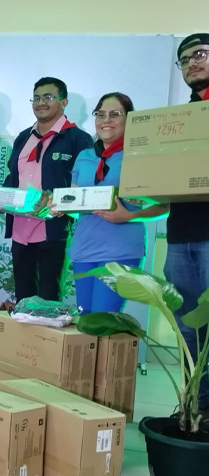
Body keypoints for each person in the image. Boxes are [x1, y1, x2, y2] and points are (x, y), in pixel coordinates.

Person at [52, 92, 168, 313]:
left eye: (115, 114)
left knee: (104, 323)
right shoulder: (85, 156)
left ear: (129, 119)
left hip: (120, 251)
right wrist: (61, 207)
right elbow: (78, 205)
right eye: (101, 114)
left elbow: (165, 206)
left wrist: (130, 215)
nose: (106, 120)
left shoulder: (141, 156)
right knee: (86, 321)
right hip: (83, 249)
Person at [3, 77, 92, 302]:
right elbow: (13, 177)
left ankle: (46, 340)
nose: (41, 102)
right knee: (23, 298)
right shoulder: (23, 137)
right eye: (37, 98)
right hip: (21, 230)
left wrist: (60, 202)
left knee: (49, 299)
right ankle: (24, 339)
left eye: (49, 97)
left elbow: (85, 186)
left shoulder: (78, 139)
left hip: (54, 231)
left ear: (64, 102)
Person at [166, 33, 209, 413]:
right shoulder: (178, 119)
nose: (191, 63)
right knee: (188, 329)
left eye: (199, 54)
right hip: (180, 236)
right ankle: (194, 403)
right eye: (184, 60)